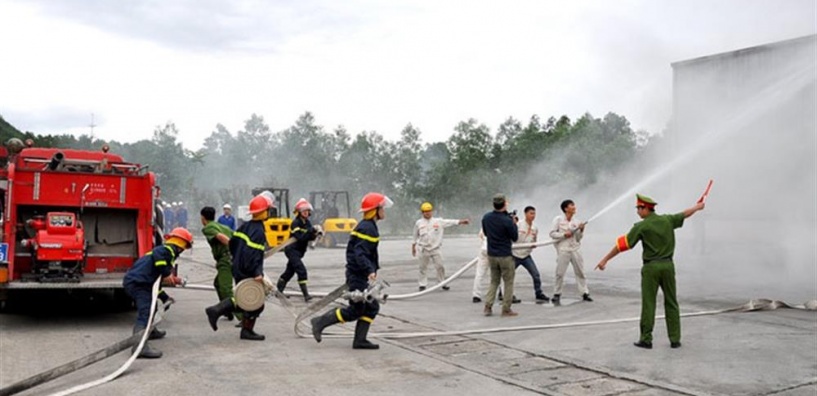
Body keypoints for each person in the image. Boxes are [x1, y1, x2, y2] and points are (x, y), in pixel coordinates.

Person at [595, 194, 705, 349]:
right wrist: (697, 207)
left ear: (645, 208)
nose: (638, 212)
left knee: (649, 303)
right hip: (668, 266)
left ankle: (646, 339)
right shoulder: (667, 220)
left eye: (639, 209)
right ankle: (675, 339)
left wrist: (605, 259)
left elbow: (622, 245)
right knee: (672, 302)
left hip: (651, 268)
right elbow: (685, 214)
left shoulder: (642, 226)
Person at [310, 192, 393, 350]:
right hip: (358, 275)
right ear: (375, 210)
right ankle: (320, 322)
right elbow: (359, 253)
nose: (384, 211)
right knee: (356, 310)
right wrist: (369, 269)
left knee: (372, 307)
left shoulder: (369, 226)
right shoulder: (367, 228)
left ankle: (360, 340)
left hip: (359, 274)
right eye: (382, 208)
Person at [205, 194, 273, 341]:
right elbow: (253, 254)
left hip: (238, 266)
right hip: (248, 269)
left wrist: (236, 259)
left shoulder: (246, 225)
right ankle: (219, 312)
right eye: (268, 209)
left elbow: (233, 243)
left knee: (248, 298)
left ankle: (225, 316)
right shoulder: (259, 231)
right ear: (263, 211)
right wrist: (257, 273)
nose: (269, 212)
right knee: (255, 301)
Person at [122, 227, 191, 359]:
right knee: (146, 312)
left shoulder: (167, 255)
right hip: (138, 284)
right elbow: (158, 258)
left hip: (144, 283)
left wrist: (164, 297)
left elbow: (156, 282)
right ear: (180, 245)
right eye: (184, 247)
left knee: (152, 308)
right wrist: (167, 273)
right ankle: (139, 347)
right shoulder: (165, 250)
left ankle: (151, 331)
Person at [411, 202, 470, 291]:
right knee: (422, 267)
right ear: (422, 212)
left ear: (432, 211)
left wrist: (461, 221)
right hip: (423, 249)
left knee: (440, 266)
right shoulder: (418, 223)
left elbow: (450, 222)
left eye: (429, 211)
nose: (427, 213)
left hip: (435, 249)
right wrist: (413, 247)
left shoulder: (438, 221)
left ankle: (441, 283)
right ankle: (422, 284)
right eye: (425, 211)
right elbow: (415, 235)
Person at [481, 194, 519, 317]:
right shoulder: (507, 220)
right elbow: (515, 237)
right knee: (508, 282)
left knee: (494, 281)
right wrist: (514, 223)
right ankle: (506, 309)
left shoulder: (486, 217)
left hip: (491, 254)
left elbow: (486, 233)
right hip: (505, 255)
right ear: (504, 204)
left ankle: (488, 306)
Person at [277, 198, 321, 301]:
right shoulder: (295, 223)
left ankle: (279, 292)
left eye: (307, 210)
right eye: (303, 211)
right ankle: (306, 295)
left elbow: (309, 237)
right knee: (301, 270)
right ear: (299, 212)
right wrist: (311, 230)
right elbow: (300, 237)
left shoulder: (307, 223)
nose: (306, 212)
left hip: (300, 251)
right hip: (292, 250)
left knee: (289, 272)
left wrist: (316, 234)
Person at [550, 199, 591, 305]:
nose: (574, 207)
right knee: (560, 273)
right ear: (566, 208)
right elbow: (552, 234)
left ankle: (584, 293)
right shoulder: (558, 220)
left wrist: (581, 230)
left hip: (575, 249)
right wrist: (564, 235)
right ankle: (557, 294)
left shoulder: (576, 222)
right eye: (572, 205)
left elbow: (578, 238)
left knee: (580, 271)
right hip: (563, 249)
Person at [200, 206, 236, 321]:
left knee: (225, 288)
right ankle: (226, 310)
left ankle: (241, 315)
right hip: (226, 258)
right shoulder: (223, 226)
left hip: (226, 258)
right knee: (218, 283)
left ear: (202, 218)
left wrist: (232, 249)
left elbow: (221, 238)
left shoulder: (208, 228)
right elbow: (235, 236)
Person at [513, 206, 550, 303]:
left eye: (534, 213)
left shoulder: (535, 228)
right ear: (525, 214)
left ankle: (538, 293)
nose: (533, 216)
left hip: (526, 255)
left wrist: (533, 245)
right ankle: (503, 293)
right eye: (531, 213)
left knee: (536, 275)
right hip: (514, 254)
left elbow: (534, 241)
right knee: (507, 275)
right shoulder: (518, 225)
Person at [471, 230, 490, 303]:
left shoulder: (486, 220)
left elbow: (481, 235)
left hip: (484, 249)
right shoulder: (503, 221)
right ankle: (503, 293)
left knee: (480, 273)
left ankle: (476, 295)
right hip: (495, 250)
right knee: (499, 273)